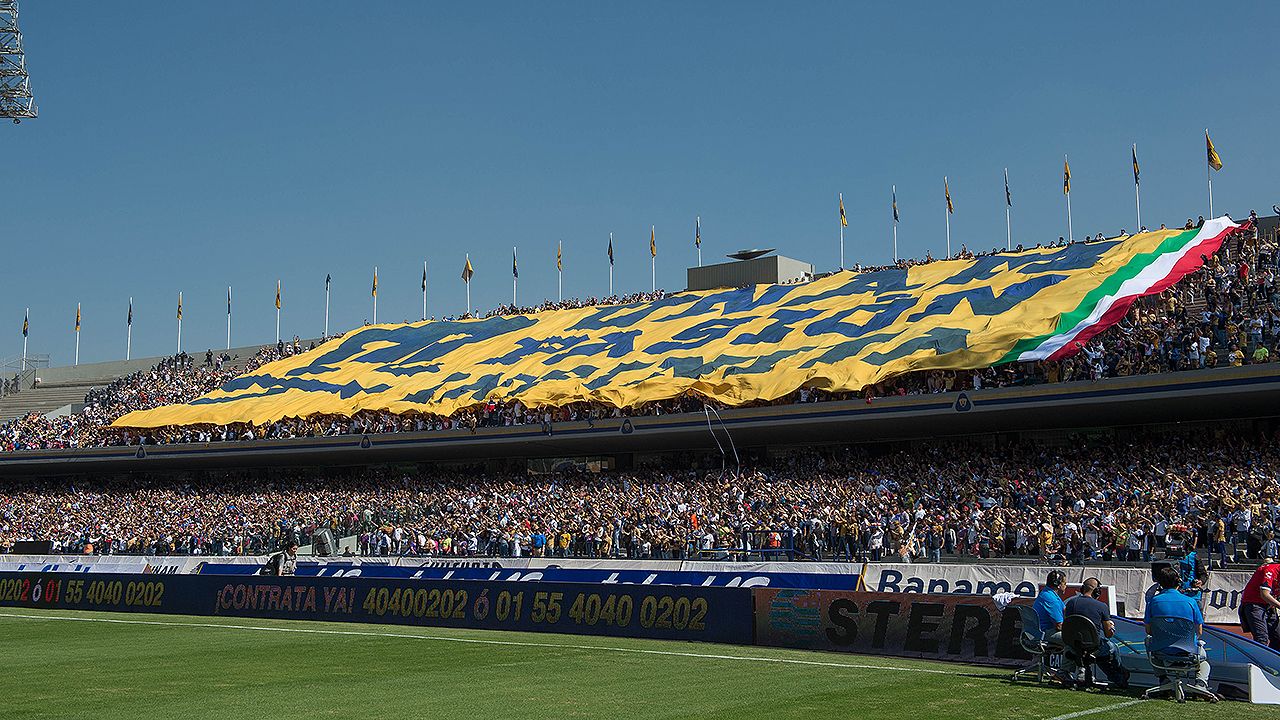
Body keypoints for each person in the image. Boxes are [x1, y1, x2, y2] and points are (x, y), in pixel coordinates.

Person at [1145, 565, 1212, 694]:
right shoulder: (1191, 602)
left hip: (1162, 650)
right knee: (1204, 662)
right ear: (1178, 582)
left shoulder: (1153, 602)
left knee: (1148, 641)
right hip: (1188, 650)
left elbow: (1149, 631)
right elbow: (1199, 632)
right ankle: (1200, 684)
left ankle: (1163, 680)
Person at [1064, 577, 1130, 688]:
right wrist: (1112, 627)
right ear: (1097, 591)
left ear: (1082, 589)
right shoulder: (1102, 606)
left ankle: (1117, 678)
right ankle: (1119, 673)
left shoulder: (1071, 603)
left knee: (1098, 653)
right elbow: (1108, 634)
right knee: (1112, 648)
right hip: (1093, 646)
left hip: (1073, 645)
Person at [1237, 556, 1280, 650]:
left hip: (1269, 605)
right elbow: (1264, 594)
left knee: (1278, 637)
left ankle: (1272, 658)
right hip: (1254, 604)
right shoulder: (1270, 570)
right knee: (1261, 639)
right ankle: (1259, 658)